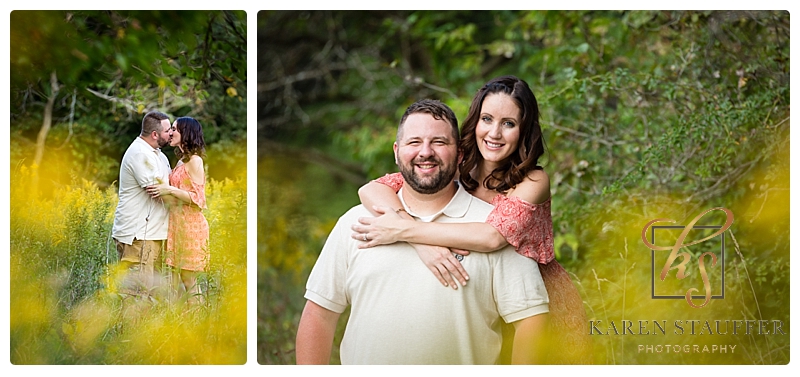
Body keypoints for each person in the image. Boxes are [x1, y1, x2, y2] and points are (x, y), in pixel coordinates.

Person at [353, 76, 593, 364]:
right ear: (475, 122)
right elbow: (371, 189)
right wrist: (415, 236)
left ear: (523, 130)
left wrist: (407, 230)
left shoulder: (533, 179)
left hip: (534, 303)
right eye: (487, 119)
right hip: (479, 295)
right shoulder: (457, 165)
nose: (494, 133)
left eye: (509, 123)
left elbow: (492, 237)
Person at [296, 99, 550, 365]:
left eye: (439, 142)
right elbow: (319, 315)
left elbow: (531, 322)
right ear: (397, 151)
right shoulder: (357, 221)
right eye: (414, 142)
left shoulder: (494, 225)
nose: (425, 152)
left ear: (460, 153)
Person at [146, 117, 210, 304]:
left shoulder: (195, 161)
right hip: (177, 224)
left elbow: (198, 199)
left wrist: (169, 190)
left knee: (189, 280)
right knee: (177, 279)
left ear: (187, 133)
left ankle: (198, 323)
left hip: (191, 225)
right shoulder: (182, 161)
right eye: (171, 128)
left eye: (175, 129)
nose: (171, 132)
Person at [111, 111, 173, 295]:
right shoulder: (139, 154)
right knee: (137, 295)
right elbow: (159, 193)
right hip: (138, 236)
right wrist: (192, 198)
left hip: (152, 235)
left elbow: (167, 188)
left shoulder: (159, 155)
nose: (171, 133)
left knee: (152, 295)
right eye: (168, 130)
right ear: (155, 134)